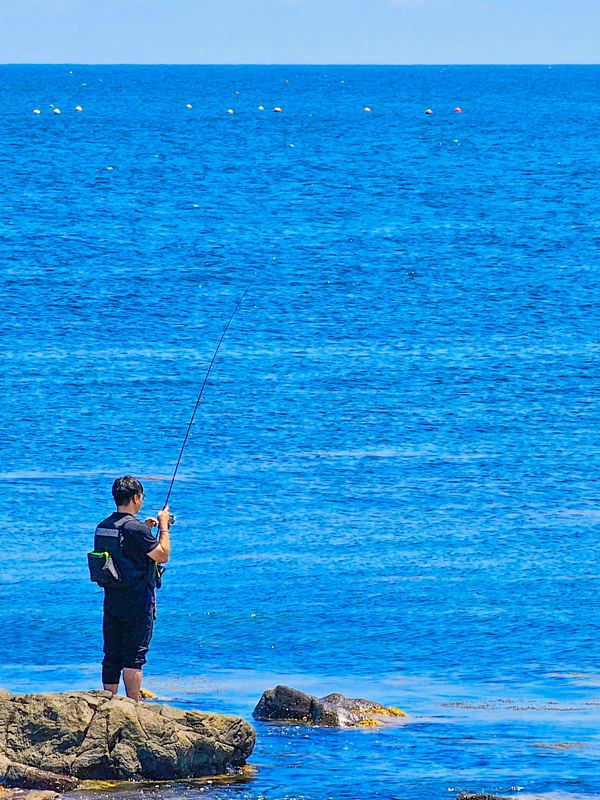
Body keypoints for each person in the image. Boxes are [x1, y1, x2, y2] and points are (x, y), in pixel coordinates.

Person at [95, 475, 170, 701]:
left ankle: (107, 703)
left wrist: (144, 529)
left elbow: (120, 552)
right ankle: (132, 707)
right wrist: (163, 527)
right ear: (136, 498)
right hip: (137, 601)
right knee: (134, 657)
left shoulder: (103, 527)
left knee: (111, 656)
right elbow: (162, 555)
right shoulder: (135, 530)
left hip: (112, 599)